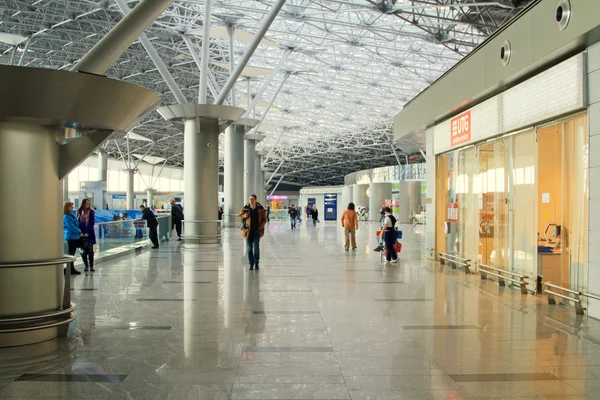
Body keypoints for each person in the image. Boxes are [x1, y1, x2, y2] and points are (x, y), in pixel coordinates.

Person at [239, 194, 267, 271]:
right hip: (248, 231)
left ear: (255, 200)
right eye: (250, 199)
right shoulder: (245, 208)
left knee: (256, 248)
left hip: (256, 231)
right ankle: (251, 264)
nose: (251, 200)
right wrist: (244, 216)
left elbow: (265, 219)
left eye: (252, 199)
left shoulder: (260, 209)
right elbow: (240, 217)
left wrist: (260, 227)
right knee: (249, 248)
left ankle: (256, 263)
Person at [77, 199, 97, 272]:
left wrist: (87, 231)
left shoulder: (91, 212)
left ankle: (91, 266)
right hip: (81, 233)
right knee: (83, 251)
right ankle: (86, 265)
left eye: (88, 203)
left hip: (90, 233)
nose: (87, 205)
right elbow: (78, 222)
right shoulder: (79, 212)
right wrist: (80, 232)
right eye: (86, 203)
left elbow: (92, 222)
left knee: (90, 250)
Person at [63, 201, 83, 275]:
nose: (72, 207)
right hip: (70, 236)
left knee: (72, 253)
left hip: (74, 236)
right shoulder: (66, 217)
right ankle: (70, 268)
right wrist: (79, 231)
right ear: (67, 207)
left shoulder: (71, 215)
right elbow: (70, 226)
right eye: (71, 206)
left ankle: (71, 268)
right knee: (71, 253)